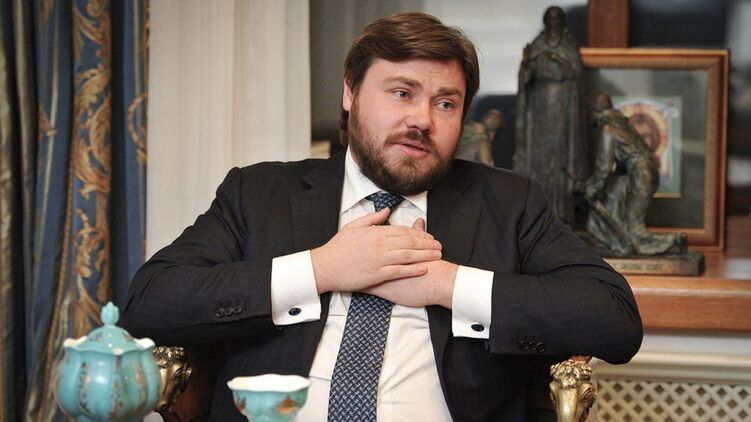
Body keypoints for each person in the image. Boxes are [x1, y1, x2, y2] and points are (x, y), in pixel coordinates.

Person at [121, 13, 642, 422]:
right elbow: (148, 302)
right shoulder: (260, 193)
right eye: (402, 93)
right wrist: (320, 270)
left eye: (446, 104)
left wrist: (447, 284)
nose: (422, 119)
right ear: (350, 93)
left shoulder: (508, 203)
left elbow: (614, 319)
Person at [581, 92, 686, 256]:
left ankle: (673, 241)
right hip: (643, 171)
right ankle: (613, 242)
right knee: (613, 204)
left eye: (589, 112)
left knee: (633, 226)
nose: (588, 117)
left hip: (641, 173)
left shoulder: (608, 129)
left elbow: (604, 168)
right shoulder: (622, 125)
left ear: (596, 111)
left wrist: (590, 187)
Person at [512, 6, 588, 225]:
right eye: (549, 19)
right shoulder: (537, 44)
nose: (553, 23)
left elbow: (578, 73)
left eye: (556, 19)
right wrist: (527, 64)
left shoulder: (568, 45)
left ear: (562, 22)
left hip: (563, 108)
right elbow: (526, 78)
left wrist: (558, 59)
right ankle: (538, 212)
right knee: (540, 158)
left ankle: (562, 213)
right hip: (540, 107)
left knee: (561, 155)